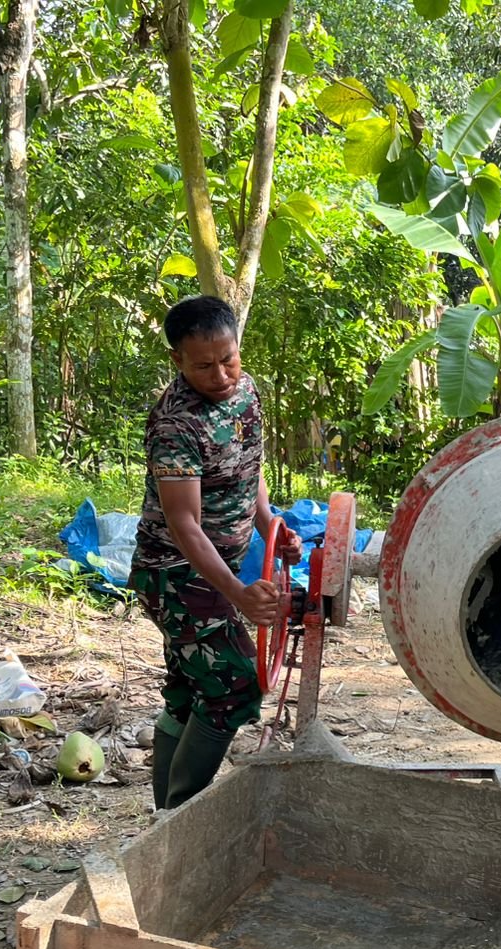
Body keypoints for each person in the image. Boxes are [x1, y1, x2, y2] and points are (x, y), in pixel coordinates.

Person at [130, 295, 300, 811]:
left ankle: (166, 821)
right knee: (234, 685)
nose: (221, 375)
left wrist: (271, 525)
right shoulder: (176, 425)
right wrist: (238, 593)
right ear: (177, 360)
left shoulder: (246, 391)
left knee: (189, 691)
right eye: (203, 366)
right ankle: (183, 814)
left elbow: (250, 467)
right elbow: (183, 525)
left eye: (228, 359)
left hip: (215, 571)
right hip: (175, 576)